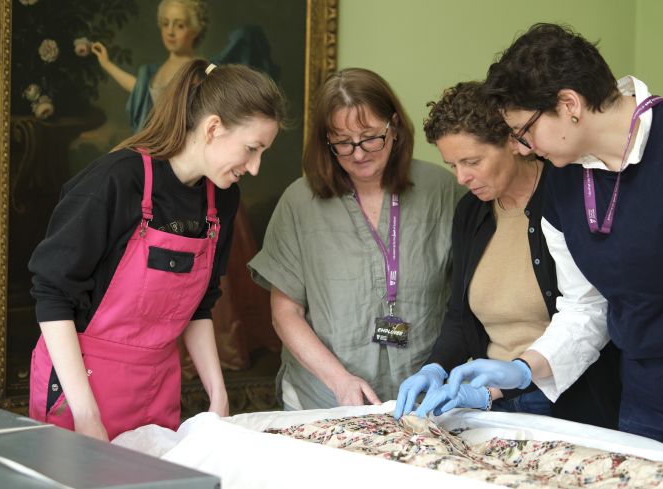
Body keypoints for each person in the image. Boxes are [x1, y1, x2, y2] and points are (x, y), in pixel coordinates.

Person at [430, 23, 663, 471]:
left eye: (524, 131)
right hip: (643, 403)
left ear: (569, 104)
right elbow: (587, 307)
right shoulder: (563, 181)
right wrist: (526, 369)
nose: (523, 147)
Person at [28, 61, 286, 441]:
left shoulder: (223, 200)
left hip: (157, 388)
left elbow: (199, 305)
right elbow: (52, 295)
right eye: (251, 149)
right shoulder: (116, 181)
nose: (255, 167)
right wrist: (86, 416)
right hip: (80, 388)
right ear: (213, 127)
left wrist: (219, 398)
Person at [393, 82, 619, 429]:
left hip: (570, 399)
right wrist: (435, 366)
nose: (462, 178)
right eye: (452, 165)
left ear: (515, 142)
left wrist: (514, 379)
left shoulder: (567, 195)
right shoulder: (471, 211)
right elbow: (459, 315)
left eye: (472, 161)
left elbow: (590, 313)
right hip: (492, 401)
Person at [247, 68, 462, 410]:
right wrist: (340, 381)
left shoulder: (441, 189)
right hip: (322, 397)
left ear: (394, 127)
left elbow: (467, 302)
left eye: (370, 137)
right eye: (343, 143)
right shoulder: (300, 202)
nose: (359, 153)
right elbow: (285, 312)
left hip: (422, 398)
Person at [93, 0, 278, 132]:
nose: (171, 31)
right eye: (166, 24)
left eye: (179, 25)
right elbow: (139, 89)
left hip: (181, 144)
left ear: (195, 29)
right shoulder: (151, 71)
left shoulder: (200, 68)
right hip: (152, 145)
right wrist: (106, 63)